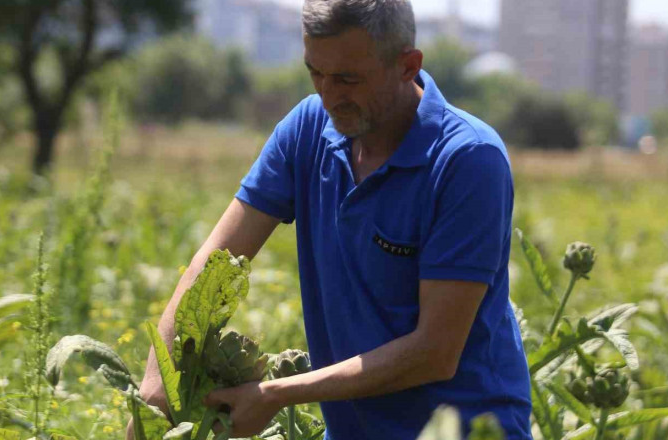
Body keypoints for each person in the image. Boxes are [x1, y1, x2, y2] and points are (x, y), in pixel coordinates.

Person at [130, 0, 532, 438]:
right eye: (315, 73)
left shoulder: (467, 160)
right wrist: (157, 384)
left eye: (347, 78)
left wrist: (276, 394)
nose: (328, 93)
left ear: (407, 65)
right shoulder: (307, 129)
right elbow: (216, 260)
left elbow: (435, 351)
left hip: (465, 429)